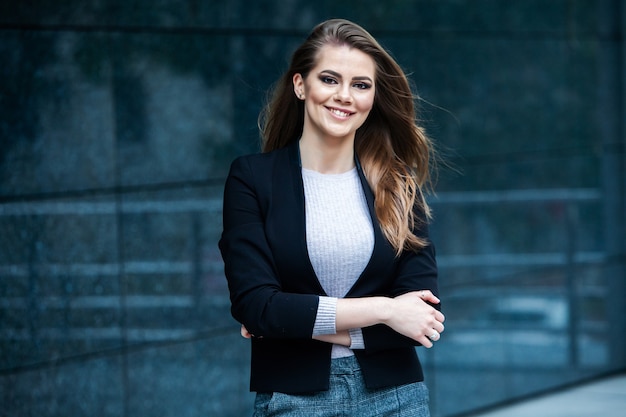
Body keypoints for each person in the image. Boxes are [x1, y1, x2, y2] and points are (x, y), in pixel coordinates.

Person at [219, 18, 445, 417]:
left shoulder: (397, 184)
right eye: (329, 79)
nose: (344, 96)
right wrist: (386, 311)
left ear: (373, 97)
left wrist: (292, 321)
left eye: (360, 84)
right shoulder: (252, 178)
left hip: (396, 397)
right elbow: (257, 306)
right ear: (300, 85)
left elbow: (422, 316)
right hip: (293, 401)